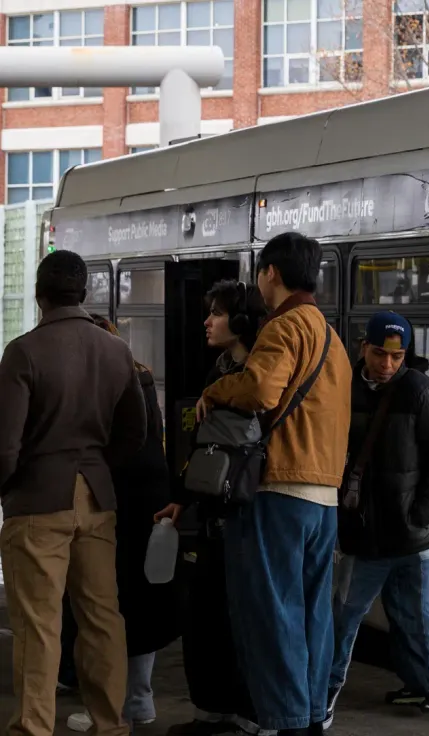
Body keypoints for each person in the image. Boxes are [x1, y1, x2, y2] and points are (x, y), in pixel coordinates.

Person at [199, 232, 352, 736]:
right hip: (324, 497)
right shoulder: (332, 338)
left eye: (261, 274)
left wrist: (217, 391)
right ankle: (311, 717)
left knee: (272, 613)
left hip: (281, 490)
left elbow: (262, 389)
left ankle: (286, 722)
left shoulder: (283, 327)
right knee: (313, 615)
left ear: (272, 273)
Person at [0, 249, 147, 736]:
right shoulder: (116, 351)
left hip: (38, 499)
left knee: (39, 624)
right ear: (84, 293)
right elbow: (135, 432)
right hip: (97, 499)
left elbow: (5, 445)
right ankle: (111, 724)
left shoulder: (23, 352)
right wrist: (99, 470)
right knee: (102, 617)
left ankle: (33, 728)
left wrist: (9, 487)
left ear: (39, 295)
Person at [326, 311, 429, 736]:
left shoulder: (418, 391)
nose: (387, 364)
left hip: (416, 541)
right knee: (343, 620)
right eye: (379, 354)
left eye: (397, 356)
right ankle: (322, 703)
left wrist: (421, 514)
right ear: (363, 348)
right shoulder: (344, 389)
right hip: (366, 539)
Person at [157, 280, 271, 736]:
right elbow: (205, 445)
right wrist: (182, 498)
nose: (207, 322)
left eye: (217, 313)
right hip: (210, 511)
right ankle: (211, 711)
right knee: (204, 613)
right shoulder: (218, 372)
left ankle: (248, 715)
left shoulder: (260, 379)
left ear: (240, 321)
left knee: (242, 616)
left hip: (249, 510)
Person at [62, 314, 182, 732]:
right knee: (141, 600)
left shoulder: (102, 381)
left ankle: (113, 707)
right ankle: (138, 700)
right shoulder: (140, 374)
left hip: (117, 500)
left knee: (105, 604)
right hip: (151, 497)